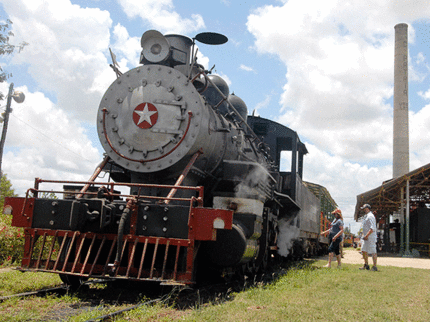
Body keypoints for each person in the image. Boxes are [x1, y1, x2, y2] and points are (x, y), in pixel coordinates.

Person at [359, 204, 378, 271]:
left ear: (367, 208)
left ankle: (375, 266)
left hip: (370, 237)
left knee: (373, 251)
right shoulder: (367, 216)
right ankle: (366, 264)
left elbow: (372, 228)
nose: (363, 210)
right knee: (363, 250)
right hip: (366, 237)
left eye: (364, 208)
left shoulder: (370, 216)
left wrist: (367, 235)